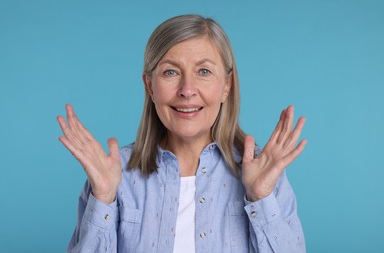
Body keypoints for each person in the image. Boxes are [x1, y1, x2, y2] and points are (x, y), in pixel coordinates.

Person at [58, 14, 307, 253]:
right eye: (170, 72)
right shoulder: (112, 174)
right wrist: (103, 198)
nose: (187, 90)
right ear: (149, 86)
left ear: (226, 86)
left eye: (204, 72)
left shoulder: (263, 172)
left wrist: (260, 198)